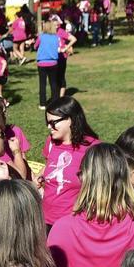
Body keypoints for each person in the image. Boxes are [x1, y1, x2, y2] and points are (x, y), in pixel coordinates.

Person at [38, 96, 100, 225]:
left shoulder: (93, 148)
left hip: (73, 224)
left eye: (53, 122)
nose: (49, 127)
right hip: (44, 220)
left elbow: (100, 188)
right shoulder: (51, 142)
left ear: (70, 119)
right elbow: (48, 166)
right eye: (47, 122)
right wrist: (39, 178)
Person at [35, 19, 62, 109]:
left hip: (42, 63)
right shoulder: (56, 37)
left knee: (42, 84)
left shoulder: (41, 36)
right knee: (53, 83)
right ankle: (55, 102)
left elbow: (35, 46)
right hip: (53, 63)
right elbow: (58, 47)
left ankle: (43, 104)